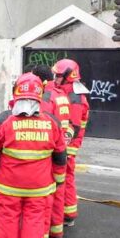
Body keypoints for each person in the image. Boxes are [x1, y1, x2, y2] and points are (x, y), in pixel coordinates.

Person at [0, 73, 67, 238]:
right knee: (34, 224)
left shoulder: (4, 120)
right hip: (40, 188)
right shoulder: (52, 122)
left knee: (7, 224)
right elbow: (60, 156)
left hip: (8, 187)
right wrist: (59, 179)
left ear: (16, 92)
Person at [33, 64, 71, 238]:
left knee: (47, 198)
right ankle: (57, 230)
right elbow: (69, 124)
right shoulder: (61, 95)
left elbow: (43, 127)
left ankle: (45, 231)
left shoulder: (45, 98)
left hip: (49, 153)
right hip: (62, 149)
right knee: (59, 192)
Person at [51, 59, 90, 228]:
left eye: (58, 76)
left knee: (65, 179)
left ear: (68, 76)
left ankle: (68, 215)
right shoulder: (67, 91)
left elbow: (72, 127)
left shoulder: (74, 97)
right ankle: (67, 212)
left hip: (68, 145)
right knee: (65, 178)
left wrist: (61, 148)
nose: (55, 78)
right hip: (68, 144)